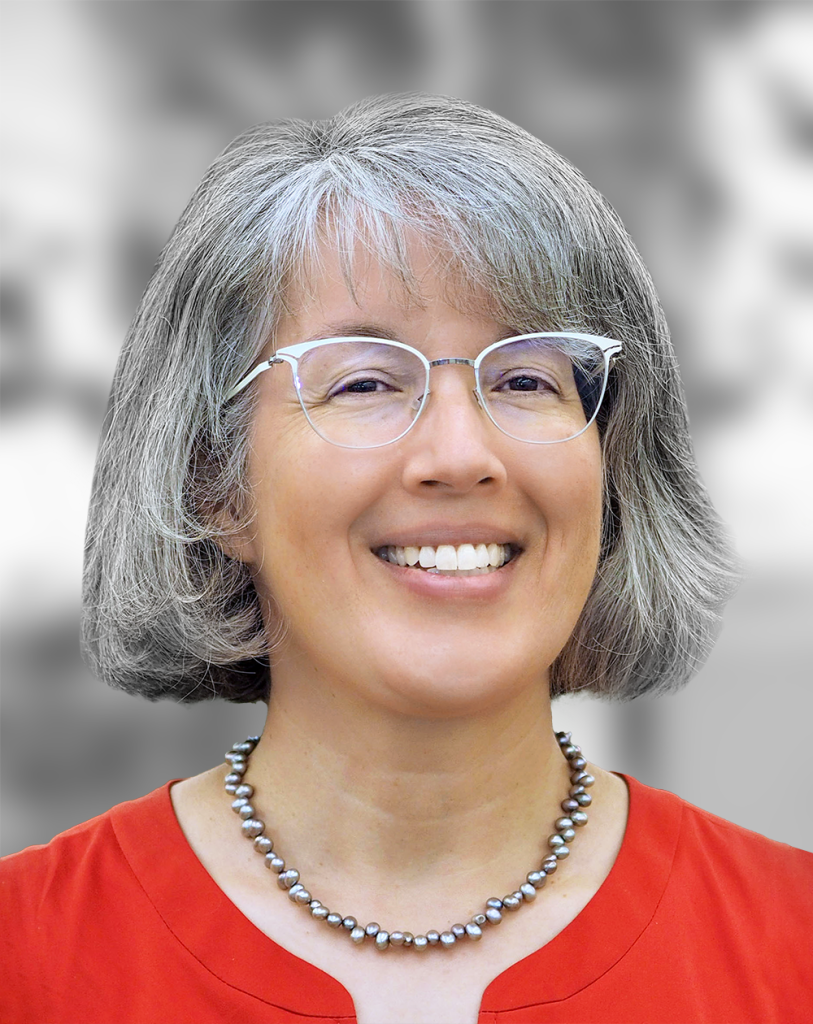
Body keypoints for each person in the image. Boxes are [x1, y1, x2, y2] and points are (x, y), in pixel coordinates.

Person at [1, 93, 811, 1024]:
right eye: (364, 382)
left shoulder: (793, 949)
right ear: (212, 484)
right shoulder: (26, 959)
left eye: (524, 377)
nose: (460, 454)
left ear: (612, 469)